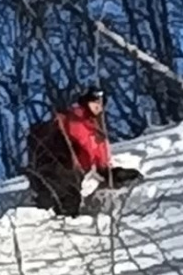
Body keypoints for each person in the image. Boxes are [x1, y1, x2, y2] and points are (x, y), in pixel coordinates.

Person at [25, 86, 142, 216]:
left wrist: (111, 173)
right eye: (94, 102)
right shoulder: (75, 118)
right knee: (67, 203)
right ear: (86, 103)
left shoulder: (96, 129)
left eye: (101, 103)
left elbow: (100, 161)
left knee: (70, 201)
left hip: (71, 173)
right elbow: (82, 143)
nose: (98, 106)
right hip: (58, 167)